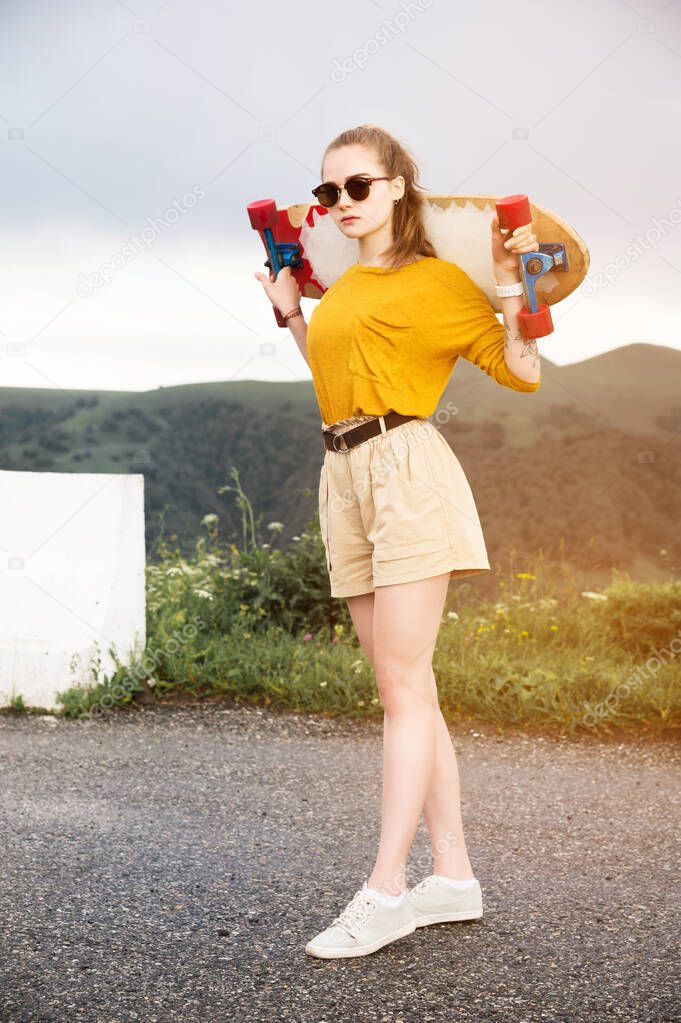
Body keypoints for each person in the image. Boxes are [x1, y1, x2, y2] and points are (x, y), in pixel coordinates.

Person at [254, 123, 541, 960]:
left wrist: (512, 288)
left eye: (357, 187)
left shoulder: (442, 283)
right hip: (341, 472)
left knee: (403, 685)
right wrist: (291, 317)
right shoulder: (340, 284)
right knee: (406, 687)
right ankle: (451, 876)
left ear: (398, 189)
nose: (339, 203)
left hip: (407, 469)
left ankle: (384, 889)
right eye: (326, 192)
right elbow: (330, 379)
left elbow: (521, 370)